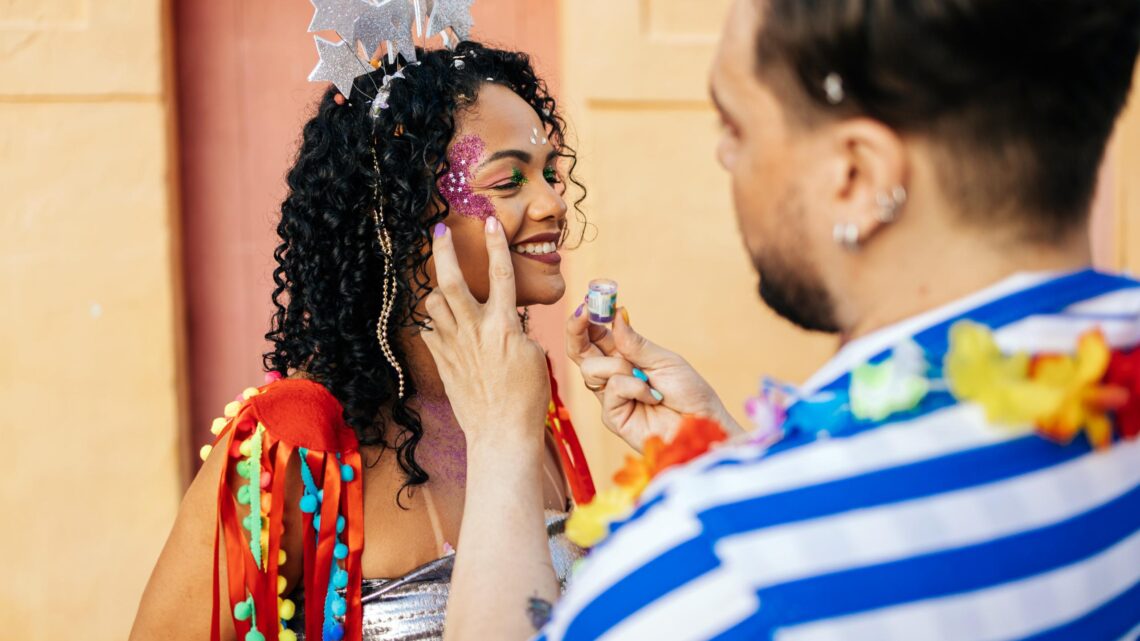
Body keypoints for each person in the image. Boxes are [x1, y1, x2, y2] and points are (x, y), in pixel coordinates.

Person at [419, 0, 1140, 639]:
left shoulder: (714, 576)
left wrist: (500, 443)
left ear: (854, 176)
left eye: (734, 123)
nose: (724, 155)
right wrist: (724, 449)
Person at [129, 42, 596, 641]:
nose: (554, 202)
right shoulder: (295, 440)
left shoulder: (531, 394)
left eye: (551, 173)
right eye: (510, 181)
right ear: (396, 213)